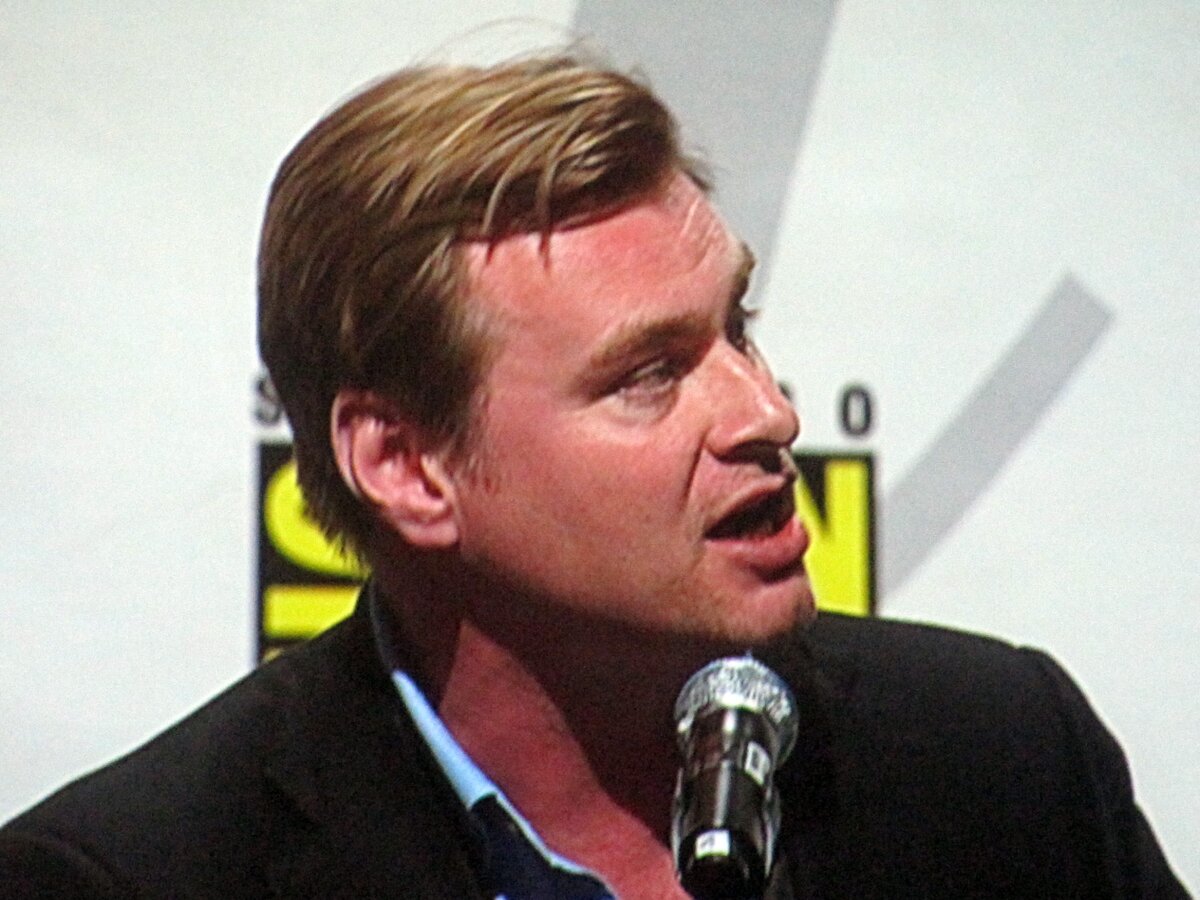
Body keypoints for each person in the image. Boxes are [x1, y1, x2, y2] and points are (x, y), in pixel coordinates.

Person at [0, 52, 1188, 899]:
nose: (768, 413)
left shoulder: (1003, 760)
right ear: (406, 465)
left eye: (738, 329)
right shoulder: (132, 876)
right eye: (649, 375)